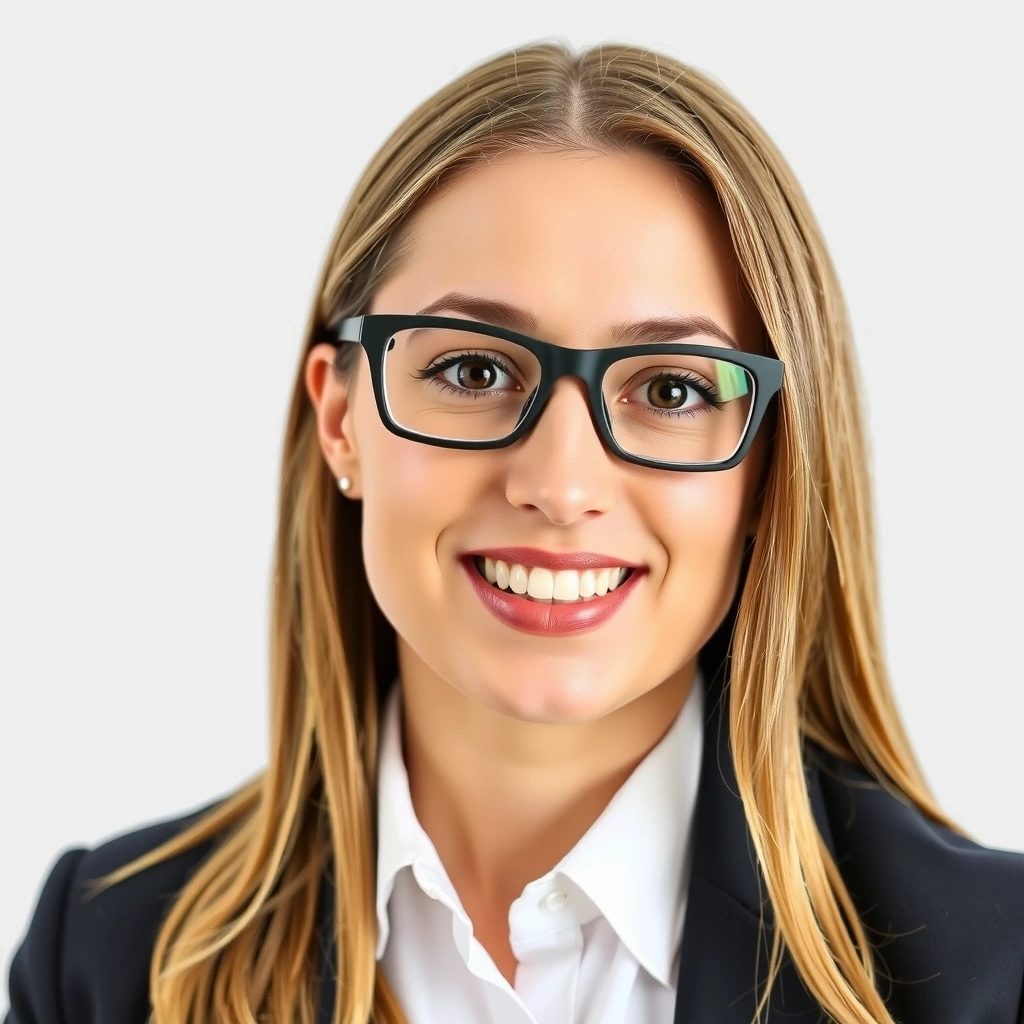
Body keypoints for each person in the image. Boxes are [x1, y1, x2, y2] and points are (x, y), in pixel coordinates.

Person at [5, 40, 1024, 1024]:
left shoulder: (993, 968)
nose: (560, 482)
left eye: (669, 387)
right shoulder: (105, 958)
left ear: (769, 469)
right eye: (473, 371)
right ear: (340, 419)